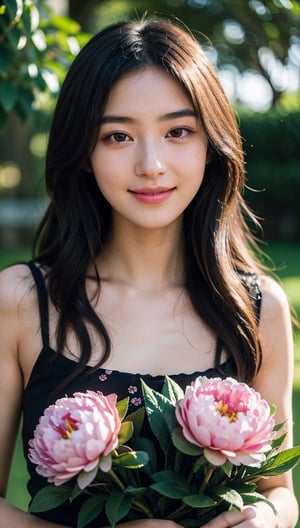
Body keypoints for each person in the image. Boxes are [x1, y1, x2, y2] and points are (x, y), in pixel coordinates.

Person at [0, 15, 298, 528]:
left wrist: (265, 519)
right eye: (118, 136)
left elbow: (278, 490)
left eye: (178, 131)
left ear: (211, 146)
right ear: (85, 152)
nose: (152, 164)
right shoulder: (23, 302)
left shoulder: (257, 307)